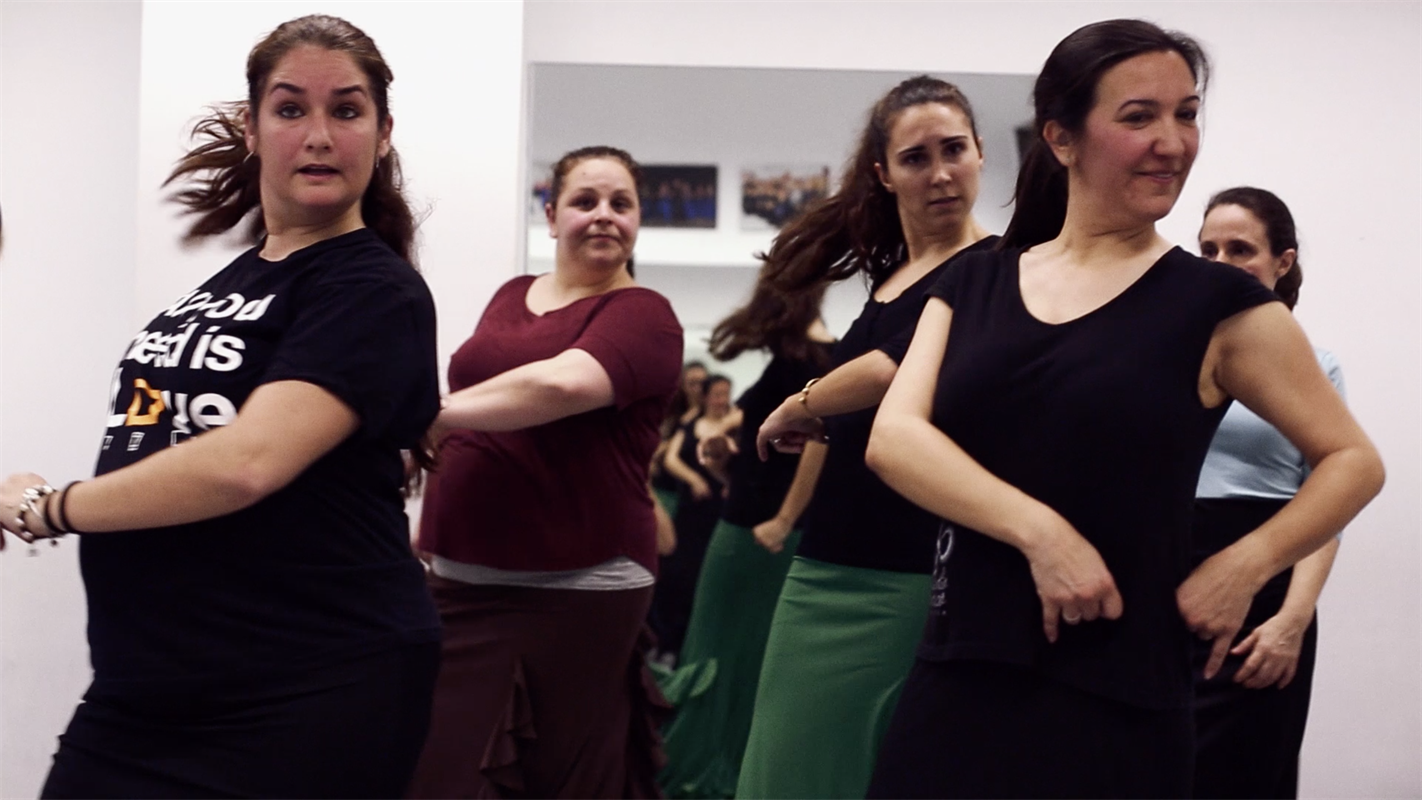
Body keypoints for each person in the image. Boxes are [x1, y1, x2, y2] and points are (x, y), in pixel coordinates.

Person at [862, 20, 1383, 799]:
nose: (1172, 142)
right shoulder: (975, 285)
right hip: (960, 667)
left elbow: (1353, 463)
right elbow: (895, 439)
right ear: (1062, 139)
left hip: (1119, 690)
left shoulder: (1219, 306)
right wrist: (1042, 535)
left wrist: (1247, 564)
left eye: (1187, 113)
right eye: (1139, 117)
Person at [0, 15, 442, 799]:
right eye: (289, 108)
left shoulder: (373, 290)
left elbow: (246, 463)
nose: (317, 135)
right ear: (252, 126)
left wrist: (51, 506)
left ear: (382, 133)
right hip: (147, 691)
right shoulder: (235, 280)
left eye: (345, 110)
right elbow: (156, 438)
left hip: (307, 687)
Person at [733, 75, 997, 800]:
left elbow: (896, 365)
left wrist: (799, 402)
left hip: (905, 570)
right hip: (825, 563)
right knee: (783, 764)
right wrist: (806, 424)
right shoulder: (892, 273)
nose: (941, 173)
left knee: (851, 770)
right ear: (884, 173)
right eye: (917, 157)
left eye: (955, 150)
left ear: (979, 154)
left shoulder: (995, 269)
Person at [405, 145, 683, 799]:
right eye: (585, 201)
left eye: (622, 203)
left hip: (579, 589)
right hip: (459, 580)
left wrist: (434, 418)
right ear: (553, 215)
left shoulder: (645, 315)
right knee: (440, 773)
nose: (604, 216)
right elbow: (490, 397)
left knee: (561, 781)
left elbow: (560, 385)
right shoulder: (510, 296)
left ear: (639, 220)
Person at [657, 275, 835, 799]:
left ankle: (711, 773)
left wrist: (784, 519)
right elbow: (775, 464)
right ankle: (710, 770)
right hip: (744, 528)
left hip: (757, 541)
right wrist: (728, 465)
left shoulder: (816, 360)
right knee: (724, 653)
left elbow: (818, 448)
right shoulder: (795, 360)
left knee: (728, 656)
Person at [1192, 187, 1344, 800]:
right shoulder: (1169, 355)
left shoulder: (1315, 365)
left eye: (1240, 249)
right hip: (1170, 584)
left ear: (1283, 262)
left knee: (1246, 776)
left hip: (1268, 595)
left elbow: (1328, 506)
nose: (1221, 262)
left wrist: (1292, 621)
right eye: (1207, 250)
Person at [650, 373, 735, 663]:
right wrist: (694, 478)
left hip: (718, 512)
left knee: (707, 578)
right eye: (716, 394)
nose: (721, 400)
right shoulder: (689, 424)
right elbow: (670, 458)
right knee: (677, 576)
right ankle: (667, 643)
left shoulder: (735, 424)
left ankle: (693, 649)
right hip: (690, 513)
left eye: (726, 393)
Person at [650, 361, 709, 519]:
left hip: (694, 494)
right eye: (692, 383)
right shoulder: (672, 415)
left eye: (702, 383)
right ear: (683, 385)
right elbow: (655, 448)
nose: (697, 389)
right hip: (666, 486)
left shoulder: (710, 416)